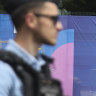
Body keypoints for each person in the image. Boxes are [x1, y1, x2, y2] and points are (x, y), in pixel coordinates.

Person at [0, 0, 63, 96]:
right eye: (54, 19)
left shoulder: (41, 69)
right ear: (31, 20)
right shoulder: (4, 72)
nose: (59, 26)